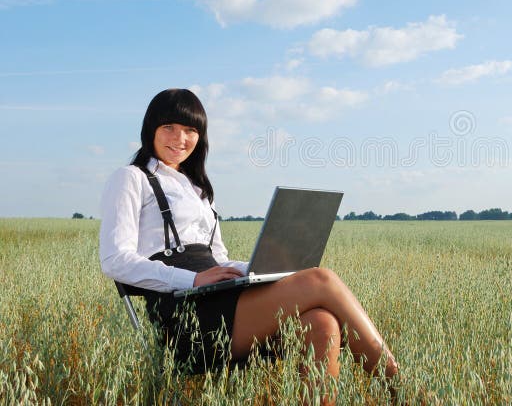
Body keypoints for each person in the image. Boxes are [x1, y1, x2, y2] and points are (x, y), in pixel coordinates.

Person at [99, 88, 398, 401]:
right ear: (150, 130)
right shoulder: (131, 178)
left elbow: (219, 260)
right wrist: (193, 279)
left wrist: (259, 269)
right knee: (320, 278)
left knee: (321, 324)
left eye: (191, 130)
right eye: (169, 128)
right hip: (186, 319)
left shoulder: (198, 188)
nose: (180, 138)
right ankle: (401, 387)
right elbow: (115, 259)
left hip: (221, 299)